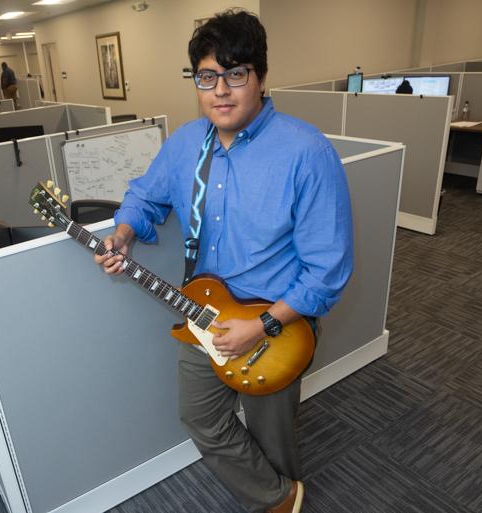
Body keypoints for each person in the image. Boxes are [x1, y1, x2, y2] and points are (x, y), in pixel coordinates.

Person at [94, 10, 353, 513]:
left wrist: (260, 326)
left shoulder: (306, 153)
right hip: (203, 316)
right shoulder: (187, 143)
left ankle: (279, 499)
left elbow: (328, 270)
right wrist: (124, 231)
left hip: (276, 324)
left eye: (236, 74)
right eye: (207, 77)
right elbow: (146, 196)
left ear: (259, 78)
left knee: (272, 439)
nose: (221, 91)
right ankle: (280, 499)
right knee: (200, 418)